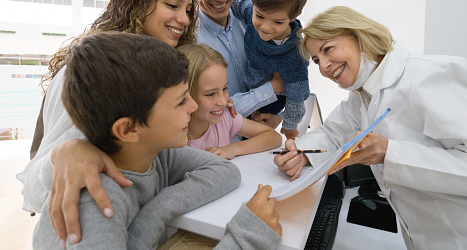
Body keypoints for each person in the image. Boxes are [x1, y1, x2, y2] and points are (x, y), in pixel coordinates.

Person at [274, 6, 467, 249]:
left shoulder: (428, 76)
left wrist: (392, 154)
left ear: (359, 36)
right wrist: (301, 152)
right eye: (317, 60)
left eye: (328, 49)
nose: (324, 66)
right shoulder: (363, 95)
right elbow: (333, 134)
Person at [32, 32, 281, 249]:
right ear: (128, 130)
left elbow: (226, 172)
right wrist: (248, 236)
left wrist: (153, 215)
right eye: (181, 100)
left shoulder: (156, 153)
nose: (193, 106)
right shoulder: (96, 202)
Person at [17, 0, 201, 244]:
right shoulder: (94, 72)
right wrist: (68, 151)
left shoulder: (157, 66)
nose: (184, 19)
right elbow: (36, 182)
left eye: (189, 9)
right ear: (137, 4)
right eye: (171, 5)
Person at [181, 0, 285, 130]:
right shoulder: (187, 40)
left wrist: (275, 116)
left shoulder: (254, 21)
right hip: (216, 148)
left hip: (258, 144)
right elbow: (205, 111)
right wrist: (272, 89)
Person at [231, 0, 310, 140]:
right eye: (259, 16)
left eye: (277, 22)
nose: (265, 27)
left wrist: (290, 126)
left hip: (275, 100)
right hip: (251, 83)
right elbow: (237, 3)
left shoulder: (295, 54)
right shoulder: (251, 12)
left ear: (294, 16)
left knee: (254, 134)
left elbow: (297, 97)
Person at [177, 44, 282, 158]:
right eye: (211, 94)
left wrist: (232, 149)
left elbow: (274, 137)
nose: (222, 101)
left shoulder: (225, 117)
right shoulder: (171, 137)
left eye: (224, 89)